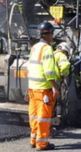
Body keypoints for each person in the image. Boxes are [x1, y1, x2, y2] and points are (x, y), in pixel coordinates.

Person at [27, 21, 60, 151]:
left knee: (34, 116)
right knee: (44, 117)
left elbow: (31, 67)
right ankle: (42, 144)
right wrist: (55, 87)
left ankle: (33, 140)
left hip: (32, 88)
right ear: (49, 34)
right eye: (52, 33)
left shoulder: (34, 47)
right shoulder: (47, 49)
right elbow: (49, 71)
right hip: (43, 89)